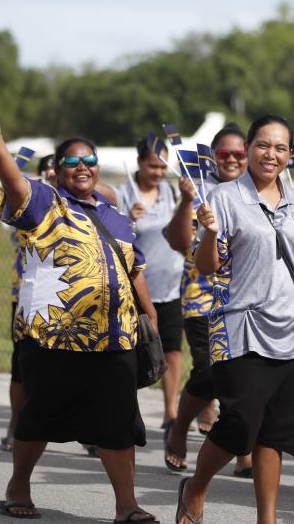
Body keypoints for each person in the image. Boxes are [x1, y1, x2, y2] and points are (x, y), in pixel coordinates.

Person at [0, 114, 161, 523]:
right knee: (40, 417)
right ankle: (18, 487)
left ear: (98, 168)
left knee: (117, 425)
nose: (82, 167)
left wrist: (150, 318)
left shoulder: (117, 218)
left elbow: (135, 272)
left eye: (89, 161)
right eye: (72, 162)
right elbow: (13, 185)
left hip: (114, 340)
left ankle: (127, 506)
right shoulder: (45, 204)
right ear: (58, 170)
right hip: (54, 339)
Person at [176, 115, 294, 524]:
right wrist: (211, 233)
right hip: (241, 329)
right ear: (249, 148)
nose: (272, 154)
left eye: (280, 148)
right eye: (263, 145)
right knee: (239, 424)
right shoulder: (226, 199)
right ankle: (196, 485)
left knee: (275, 434)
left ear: (289, 155)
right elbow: (206, 266)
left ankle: (267, 518)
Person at [164, 123, 253, 477]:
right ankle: (180, 428)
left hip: (248, 299)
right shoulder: (199, 190)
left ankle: (244, 451)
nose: (231, 160)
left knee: (246, 379)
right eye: (224, 154)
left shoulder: (259, 191)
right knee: (209, 372)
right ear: (211, 157)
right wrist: (187, 201)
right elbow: (179, 241)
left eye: (238, 154)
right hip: (204, 299)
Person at [117, 137, 187, 431]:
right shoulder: (123, 194)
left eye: (162, 166)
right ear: (139, 164)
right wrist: (128, 220)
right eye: (152, 166)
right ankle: (123, 412)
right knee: (130, 353)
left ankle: (171, 412)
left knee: (171, 350)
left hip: (170, 287)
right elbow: (111, 235)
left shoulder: (172, 193)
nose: (158, 172)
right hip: (135, 290)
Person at [2, 154, 56, 452]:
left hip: (67, 296)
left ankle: (90, 432)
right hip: (29, 294)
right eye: (46, 169)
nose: (50, 173)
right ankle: (15, 423)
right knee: (22, 366)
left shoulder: (76, 203)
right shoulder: (28, 199)